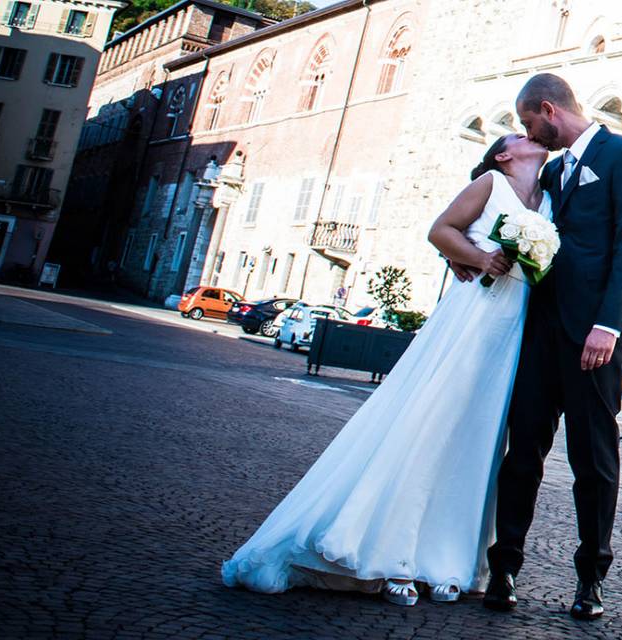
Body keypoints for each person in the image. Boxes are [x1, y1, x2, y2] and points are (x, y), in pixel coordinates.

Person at [221, 133, 551, 606]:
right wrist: (478, 258)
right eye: (519, 135)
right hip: (472, 316)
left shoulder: (549, 196)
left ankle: (447, 560)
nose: (530, 136)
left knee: (478, 439)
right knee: (430, 424)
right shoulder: (490, 183)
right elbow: (440, 231)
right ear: (503, 154)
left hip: (513, 330)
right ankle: (392, 553)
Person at [458, 73, 622, 620]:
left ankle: (591, 578)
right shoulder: (547, 172)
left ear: (549, 109)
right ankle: (504, 569)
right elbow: (504, 222)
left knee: (592, 461)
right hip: (540, 332)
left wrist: (609, 325)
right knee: (522, 454)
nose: (527, 132)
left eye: (527, 123)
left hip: (597, 336)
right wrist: (470, 256)